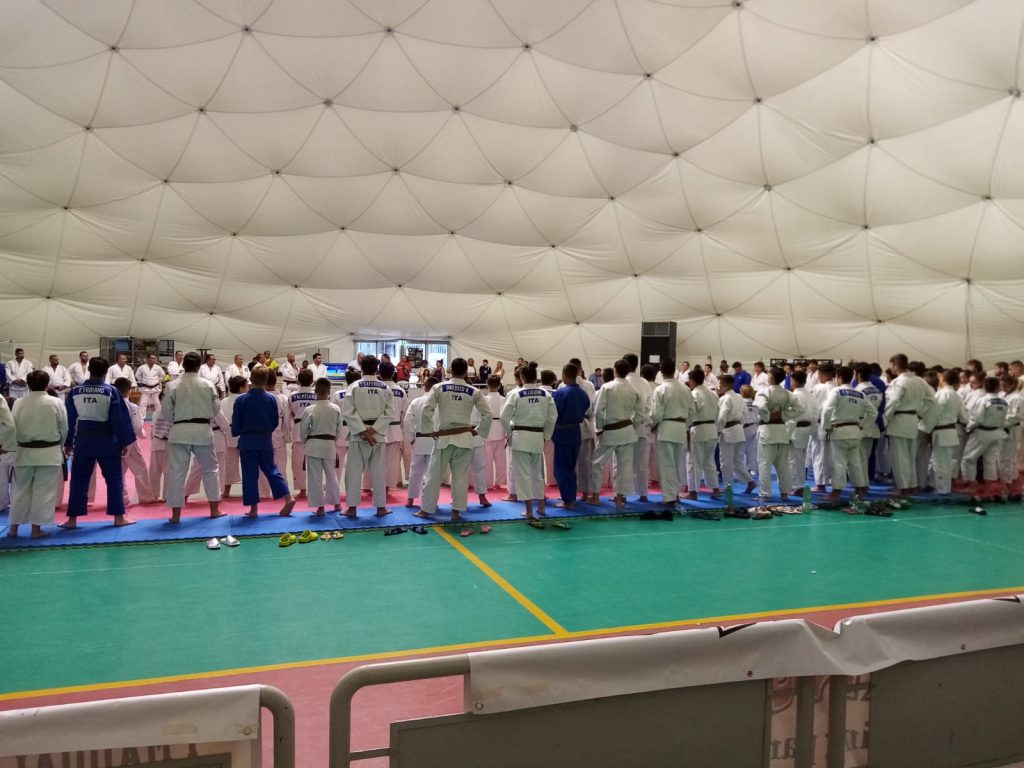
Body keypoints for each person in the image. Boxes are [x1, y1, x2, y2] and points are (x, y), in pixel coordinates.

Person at [61, 357, 137, 529]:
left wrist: (68, 442)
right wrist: (123, 442)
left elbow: (70, 419)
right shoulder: (111, 391)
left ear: (89, 370)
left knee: (79, 479)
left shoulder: (75, 391)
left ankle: (72, 519)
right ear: (106, 372)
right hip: (107, 440)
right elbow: (119, 419)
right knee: (114, 478)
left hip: (83, 440)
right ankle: (119, 517)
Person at [417, 358, 493, 523]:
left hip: (444, 438)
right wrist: (479, 431)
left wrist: (429, 430)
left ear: (450, 370)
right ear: (466, 372)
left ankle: (426, 509)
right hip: (465, 438)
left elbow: (426, 409)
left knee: (433, 475)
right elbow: (488, 414)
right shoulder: (474, 391)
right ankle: (456, 511)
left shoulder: (439, 387)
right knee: (460, 477)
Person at [163, 352, 222, 523]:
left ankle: (175, 515)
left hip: (179, 430)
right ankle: (214, 510)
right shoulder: (208, 385)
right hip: (203, 430)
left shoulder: (172, 386)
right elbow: (216, 409)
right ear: (199, 366)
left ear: (184, 365)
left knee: (177, 472)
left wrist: (178, 419)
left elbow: (166, 412)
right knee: (211, 470)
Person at [8, 371, 67, 538]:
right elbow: (64, 429)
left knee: (20, 491)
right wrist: (59, 446)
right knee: (44, 492)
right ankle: (36, 529)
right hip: (49, 452)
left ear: (28, 384)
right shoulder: (56, 402)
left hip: (24, 452)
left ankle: (13, 529)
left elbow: (13, 427)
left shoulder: (19, 403)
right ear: (47, 384)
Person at [232, 365, 296, 517]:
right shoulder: (272, 399)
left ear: (250, 379)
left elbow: (236, 424)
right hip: (265, 440)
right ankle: (288, 497)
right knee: (271, 469)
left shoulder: (241, 400)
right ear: (266, 380)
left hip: (247, 441)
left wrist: (237, 432)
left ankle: (253, 509)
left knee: (250, 474)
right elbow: (275, 422)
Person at [500, 362, 556, 523]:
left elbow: (504, 416)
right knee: (537, 473)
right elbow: (553, 417)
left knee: (523, 475)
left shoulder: (515, 394)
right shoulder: (545, 394)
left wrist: (510, 431)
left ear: (522, 377)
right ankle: (541, 507)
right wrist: (546, 435)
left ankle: (529, 510)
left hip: (520, 436)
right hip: (537, 436)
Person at [340, 355, 394, 518]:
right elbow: (389, 413)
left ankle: (352, 508)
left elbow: (348, 411)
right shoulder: (385, 388)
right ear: (377, 369)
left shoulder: (354, 386)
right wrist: (373, 431)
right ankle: (380, 507)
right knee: (379, 472)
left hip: (359, 435)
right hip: (378, 436)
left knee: (354, 471)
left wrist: (363, 431)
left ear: (361, 368)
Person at [588, 359, 644, 509]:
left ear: (615, 371)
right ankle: (620, 499)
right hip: (627, 431)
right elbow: (640, 414)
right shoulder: (633, 389)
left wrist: (600, 428)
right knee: (624, 467)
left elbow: (599, 411)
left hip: (610, 431)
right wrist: (632, 426)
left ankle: (595, 496)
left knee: (597, 463)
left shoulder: (607, 387)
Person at [883, 354, 935, 495]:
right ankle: (912, 485)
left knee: (899, 457)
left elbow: (893, 402)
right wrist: (920, 413)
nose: (891, 368)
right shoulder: (919, 381)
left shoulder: (899, 382)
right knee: (911, 456)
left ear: (895, 366)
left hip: (899, 420)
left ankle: (903, 487)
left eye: (891, 365)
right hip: (913, 420)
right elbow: (931, 400)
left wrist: (885, 419)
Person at [821, 366, 875, 500]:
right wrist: (863, 426)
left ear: (838, 378)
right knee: (855, 463)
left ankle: (836, 492)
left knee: (838, 463)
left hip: (840, 431)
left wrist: (826, 426)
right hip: (855, 431)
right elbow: (873, 413)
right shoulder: (859, 394)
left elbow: (827, 410)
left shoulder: (837, 391)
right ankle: (859, 490)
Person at [650, 359, 694, 507]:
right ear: (674, 370)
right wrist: (684, 425)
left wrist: (653, 425)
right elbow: (692, 412)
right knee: (677, 463)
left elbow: (656, 414)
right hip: (681, 428)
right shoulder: (685, 389)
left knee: (666, 465)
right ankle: (675, 494)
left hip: (666, 427)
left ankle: (669, 498)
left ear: (661, 372)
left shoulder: (660, 389)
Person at [755, 367, 802, 501]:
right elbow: (799, 408)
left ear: (771, 378)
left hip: (767, 431)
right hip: (782, 431)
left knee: (764, 464)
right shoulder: (787, 393)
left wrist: (768, 416)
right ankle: (785, 492)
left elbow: (761, 407)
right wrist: (784, 415)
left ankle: (765, 494)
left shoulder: (764, 392)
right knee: (783, 465)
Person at [550, 363, 591, 509]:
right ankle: (571, 497)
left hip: (562, 433)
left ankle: (568, 500)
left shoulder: (561, 392)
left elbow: (554, 413)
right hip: (576, 432)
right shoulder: (583, 393)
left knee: (561, 469)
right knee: (571, 468)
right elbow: (586, 407)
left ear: (564, 375)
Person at [301, 377, 343, 515]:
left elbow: (303, 431)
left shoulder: (310, 409)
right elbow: (339, 430)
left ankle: (320, 507)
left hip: (313, 445)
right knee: (331, 474)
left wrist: (306, 441)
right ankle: (336, 503)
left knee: (315, 477)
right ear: (329, 392)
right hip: (329, 444)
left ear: (315, 392)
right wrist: (333, 440)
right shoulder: (336, 409)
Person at [112, 378, 155, 505]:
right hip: (129, 441)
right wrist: (142, 435)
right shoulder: (132, 406)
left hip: (113, 442)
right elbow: (137, 427)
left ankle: (122, 499)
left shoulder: (109, 405)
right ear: (129, 391)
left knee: (118, 472)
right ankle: (145, 497)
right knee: (140, 470)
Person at [960, 376, 1008, 491]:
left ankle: (972, 486)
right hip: (997, 433)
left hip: (982, 433)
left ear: (985, 387)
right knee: (990, 460)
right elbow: (1004, 420)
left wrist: (968, 428)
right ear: (998, 387)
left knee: (968, 459)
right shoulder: (1004, 402)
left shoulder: (983, 401)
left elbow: (976, 418)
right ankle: (988, 488)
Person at [717, 374, 756, 495]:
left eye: (719, 384)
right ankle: (750, 482)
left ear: (724, 385)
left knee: (726, 462)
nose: (718, 387)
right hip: (739, 431)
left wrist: (718, 430)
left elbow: (721, 417)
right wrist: (739, 425)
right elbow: (745, 415)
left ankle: (728, 487)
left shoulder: (725, 399)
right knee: (738, 461)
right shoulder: (739, 397)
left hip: (728, 432)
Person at [404, 376, 438, 508]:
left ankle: (410, 499)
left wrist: (411, 438)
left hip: (419, 439)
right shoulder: (440, 403)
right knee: (432, 473)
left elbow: (408, 422)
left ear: (425, 387)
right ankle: (429, 502)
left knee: (415, 471)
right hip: (435, 440)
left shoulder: (416, 402)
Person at [930, 370, 964, 496]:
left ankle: (942, 490)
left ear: (943, 379)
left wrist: (925, 428)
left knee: (940, 462)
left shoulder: (942, 394)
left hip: (941, 431)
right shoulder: (956, 395)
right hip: (951, 430)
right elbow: (964, 417)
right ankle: (943, 488)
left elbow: (934, 413)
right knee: (946, 462)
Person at [287, 369, 317, 497]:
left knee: (298, 463)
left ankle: (302, 490)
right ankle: (315, 488)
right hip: (315, 429)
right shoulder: (317, 394)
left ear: (298, 381)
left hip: (298, 429)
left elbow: (288, 415)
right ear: (312, 381)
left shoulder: (292, 396)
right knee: (315, 461)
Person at [380, 361, 410, 491]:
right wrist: (404, 433)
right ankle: (388, 487)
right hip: (395, 429)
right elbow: (405, 414)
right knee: (392, 461)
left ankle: (373, 486)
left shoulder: (377, 389)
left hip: (376, 429)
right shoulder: (400, 391)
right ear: (394, 374)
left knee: (376, 460)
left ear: (379, 373)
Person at [219, 375, 246, 497]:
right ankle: (249, 492)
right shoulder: (246, 400)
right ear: (241, 387)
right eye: (246, 386)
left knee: (229, 466)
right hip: (245, 436)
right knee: (248, 466)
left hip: (228, 436)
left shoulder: (222, 402)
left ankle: (225, 492)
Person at [482, 375, 507, 489]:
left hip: (487, 429)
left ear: (487, 385)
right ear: (499, 385)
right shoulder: (503, 399)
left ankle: (488, 483)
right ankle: (500, 481)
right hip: (500, 428)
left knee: (487, 459)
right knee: (500, 458)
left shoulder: (484, 399)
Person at [148, 391, 172, 502]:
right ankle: (164, 496)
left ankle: (157, 495)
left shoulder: (157, 413)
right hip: (162, 443)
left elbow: (152, 430)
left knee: (158, 471)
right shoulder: (174, 413)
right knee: (165, 471)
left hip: (162, 443)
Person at [0, 395, 16, 511]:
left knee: (2, 481)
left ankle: (2, 504)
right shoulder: (18, 420)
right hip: (15, 452)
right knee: (16, 482)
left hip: (2, 452)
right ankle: (16, 504)